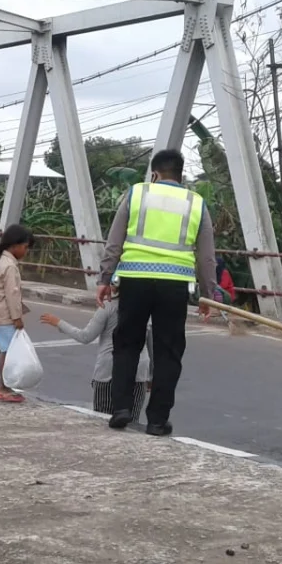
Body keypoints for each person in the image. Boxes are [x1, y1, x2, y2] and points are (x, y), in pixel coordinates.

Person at [98, 149, 217, 435]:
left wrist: (104, 278)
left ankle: (121, 408)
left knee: (126, 343)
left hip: (135, 279)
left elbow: (115, 241)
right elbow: (206, 256)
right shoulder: (195, 203)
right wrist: (208, 294)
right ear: (181, 174)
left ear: (155, 174)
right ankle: (157, 420)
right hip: (174, 284)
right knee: (168, 351)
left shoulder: (137, 193)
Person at [40, 274, 152, 420]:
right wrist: (151, 375)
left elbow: (85, 336)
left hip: (108, 373)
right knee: (132, 421)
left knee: (103, 419)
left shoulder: (108, 307)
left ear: (115, 286)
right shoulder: (146, 310)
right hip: (139, 372)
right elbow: (151, 345)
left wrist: (58, 322)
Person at [0, 225, 34, 402]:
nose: (26, 251)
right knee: (8, 352)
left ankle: (5, 386)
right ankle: (3, 387)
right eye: (25, 247)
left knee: (7, 351)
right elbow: (12, 294)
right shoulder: (10, 266)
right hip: (5, 315)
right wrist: (17, 318)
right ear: (15, 245)